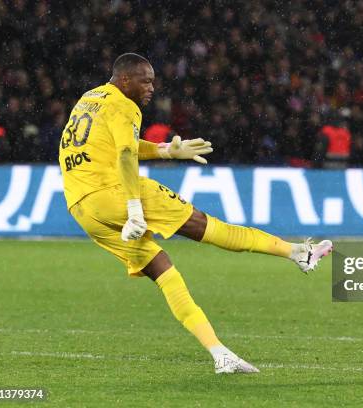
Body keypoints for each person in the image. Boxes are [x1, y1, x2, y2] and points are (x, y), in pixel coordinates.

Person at [58, 53, 332, 374]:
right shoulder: (124, 104)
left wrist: (165, 150)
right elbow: (125, 152)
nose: (151, 88)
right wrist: (134, 208)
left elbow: (116, 143)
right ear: (124, 80)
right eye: (145, 81)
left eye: (153, 81)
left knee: (163, 271)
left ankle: (220, 353)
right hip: (114, 190)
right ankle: (298, 252)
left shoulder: (91, 97)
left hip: (81, 203)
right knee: (208, 227)